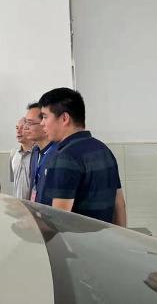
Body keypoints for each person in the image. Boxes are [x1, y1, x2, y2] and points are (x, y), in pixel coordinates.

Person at [36, 87, 126, 226]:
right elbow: (119, 204)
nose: (42, 123)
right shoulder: (103, 150)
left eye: (45, 117)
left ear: (64, 118)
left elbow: (59, 220)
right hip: (104, 238)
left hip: (76, 240)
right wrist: (121, 237)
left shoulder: (65, 157)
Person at [25, 102, 57, 202]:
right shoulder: (35, 151)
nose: (25, 127)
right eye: (25, 122)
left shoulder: (57, 153)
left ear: (44, 123)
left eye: (30, 123)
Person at [10, 116, 33, 199]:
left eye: (22, 128)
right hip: (18, 203)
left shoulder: (38, 155)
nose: (18, 131)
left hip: (34, 204)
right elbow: (14, 182)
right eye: (17, 128)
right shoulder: (13, 154)